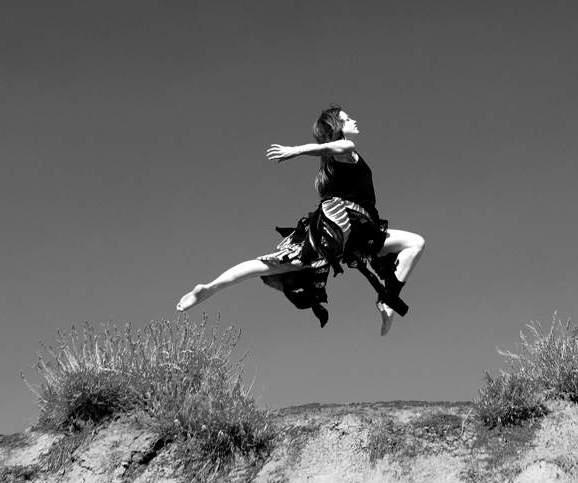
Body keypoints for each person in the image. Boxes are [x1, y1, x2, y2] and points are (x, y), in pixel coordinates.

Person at [177, 106, 425, 334]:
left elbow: (328, 151)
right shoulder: (346, 149)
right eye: (347, 119)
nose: (354, 120)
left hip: (353, 234)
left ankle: (211, 287)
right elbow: (330, 148)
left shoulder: (333, 161)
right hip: (347, 224)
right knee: (415, 243)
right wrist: (297, 150)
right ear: (336, 128)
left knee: (277, 264)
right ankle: (386, 300)